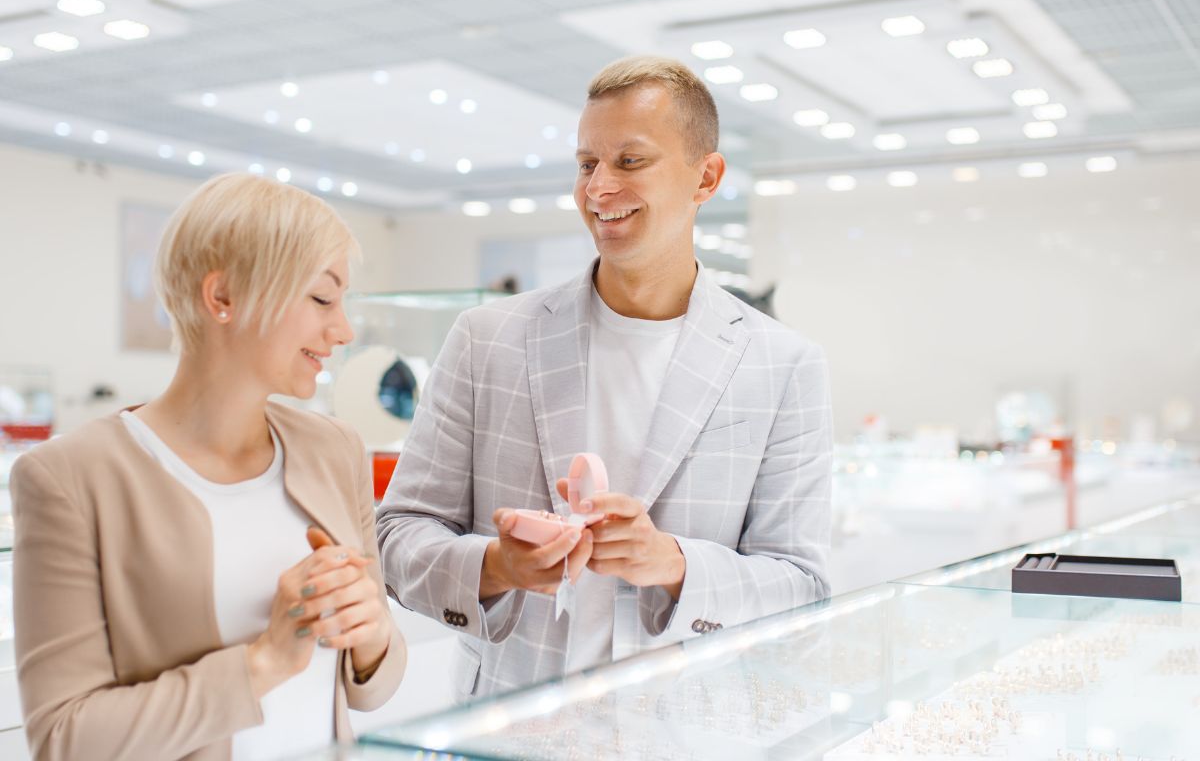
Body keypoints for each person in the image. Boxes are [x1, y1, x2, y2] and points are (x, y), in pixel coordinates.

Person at [377, 56, 831, 700]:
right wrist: (495, 566)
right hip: (511, 728)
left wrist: (672, 565)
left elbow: (803, 587)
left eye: (630, 161)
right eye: (587, 163)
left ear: (707, 177)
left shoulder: (783, 364)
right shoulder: (488, 339)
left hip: (689, 734)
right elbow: (397, 534)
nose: (598, 188)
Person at [10, 173, 406, 760]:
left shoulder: (334, 450)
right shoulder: (70, 478)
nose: (342, 329)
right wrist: (264, 661)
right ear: (221, 298)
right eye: (322, 298)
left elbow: (373, 687)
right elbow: (65, 739)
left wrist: (370, 632)